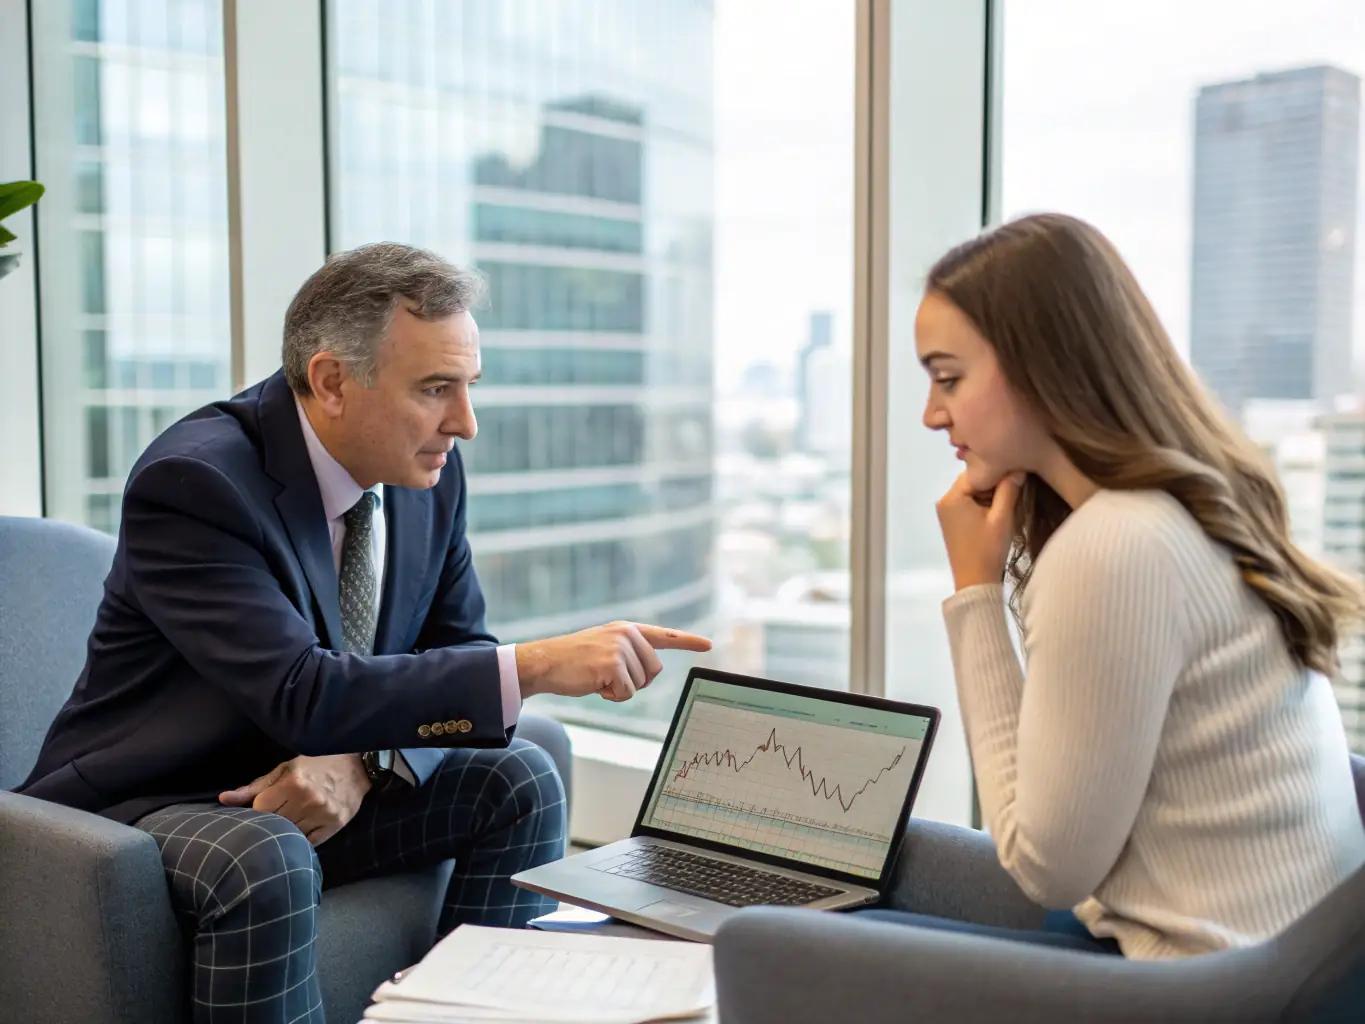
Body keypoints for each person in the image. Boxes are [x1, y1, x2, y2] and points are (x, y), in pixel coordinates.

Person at [18, 241, 712, 1022]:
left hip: (312, 769)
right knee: (264, 853)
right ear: (331, 381)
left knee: (517, 777)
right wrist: (543, 662)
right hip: (158, 798)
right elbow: (301, 691)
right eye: (435, 388)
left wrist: (365, 761)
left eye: (468, 387)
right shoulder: (197, 483)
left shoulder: (427, 472)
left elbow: (460, 651)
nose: (466, 423)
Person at [859, 213, 1365, 959]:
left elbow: (1043, 869)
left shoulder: (1114, 547)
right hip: (1280, 970)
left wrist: (974, 598)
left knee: (767, 946)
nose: (933, 413)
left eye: (948, 378)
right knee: (862, 888)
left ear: (1041, 365)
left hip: (1205, 989)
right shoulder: (1174, 512)